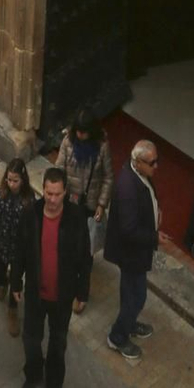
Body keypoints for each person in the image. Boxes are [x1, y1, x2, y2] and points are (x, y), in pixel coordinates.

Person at [16, 163, 90, 388]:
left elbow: (84, 258)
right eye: (48, 193)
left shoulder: (76, 218)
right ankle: (33, 377)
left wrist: (82, 293)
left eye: (57, 194)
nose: (53, 199)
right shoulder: (31, 214)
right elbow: (21, 251)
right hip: (36, 294)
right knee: (31, 340)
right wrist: (16, 281)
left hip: (62, 296)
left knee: (58, 344)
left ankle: (54, 385)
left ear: (65, 192)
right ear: (43, 190)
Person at [104, 139, 160, 361]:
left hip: (136, 252)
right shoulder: (127, 187)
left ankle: (129, 323)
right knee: (135, 297)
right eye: (152, 163)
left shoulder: (139, 175)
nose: (156, 167)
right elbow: (128, 230)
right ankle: (117, 336)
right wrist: (155, 237)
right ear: (138, 162)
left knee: (132, 293)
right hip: (131, 254)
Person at [54, 110, 114, 315]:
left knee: (86, 254)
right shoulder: (67, 142)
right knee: (67, 247)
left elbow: (107, 177)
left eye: (84, 133)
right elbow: (59, 168)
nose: (80, 136)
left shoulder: (102, 147)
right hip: (70, 203)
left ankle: (82, 294)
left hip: (89, 207)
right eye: (78, 132)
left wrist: (101, 204)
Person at [0, 157, 31, 336]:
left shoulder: (29, 201)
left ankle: (12, 310)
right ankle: (3, 282)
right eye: (9, 179)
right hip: (1, 247)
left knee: (16, 283)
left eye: (15, 180)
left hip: (19, 252)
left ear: (23, 180)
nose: (11, 184)